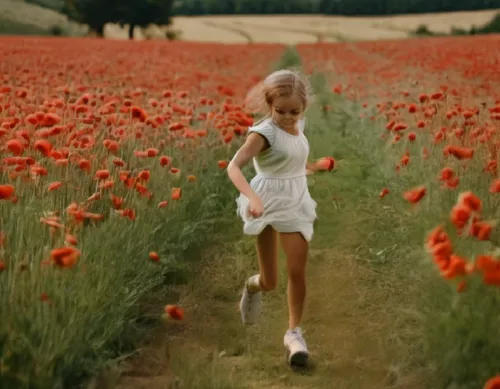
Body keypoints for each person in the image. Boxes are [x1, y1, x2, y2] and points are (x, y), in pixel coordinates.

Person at [227, 68, 323, 367]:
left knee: (297, 269)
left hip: (295, 199)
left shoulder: (298, 124)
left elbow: (294, 161)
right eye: (280, 111)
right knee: (271, 280)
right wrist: (253, 198)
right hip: (267, 201)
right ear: (270, 105)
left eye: (295, 111)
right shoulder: (263, 133)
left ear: (303, 106)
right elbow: (233, 167)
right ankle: (253, 286)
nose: (288, 117)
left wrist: (315, 167)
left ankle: (294, 335)